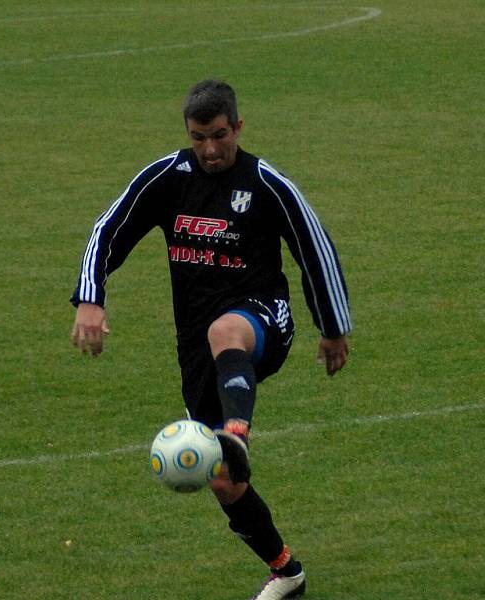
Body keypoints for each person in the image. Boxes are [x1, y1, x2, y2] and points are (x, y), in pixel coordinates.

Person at [70, 79, 351, 599]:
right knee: (222, 479)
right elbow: (107, 229)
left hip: (265, 318)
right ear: (188, 132)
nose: (211, 149)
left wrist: (332, 328)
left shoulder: (267, 183)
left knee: (225, 330)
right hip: (198, 348)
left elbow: (317, 249)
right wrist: (91, 297)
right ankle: (286, 570)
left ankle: (237, 432)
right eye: (199, 137)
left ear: (238, 127)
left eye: (220, 135)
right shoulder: (168, 178)